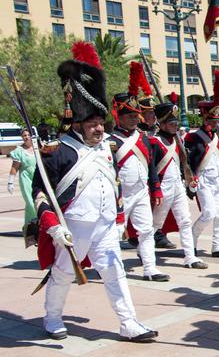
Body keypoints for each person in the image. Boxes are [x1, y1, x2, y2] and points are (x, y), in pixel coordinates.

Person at [32, 41, 156, 341]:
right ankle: (51, 318)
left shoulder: (106, 148)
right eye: (92, 124)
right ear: (78, 123)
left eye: (101, 123)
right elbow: (40, 192)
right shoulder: (58, 151)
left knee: (115, 273)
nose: (99, 129)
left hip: (105, 225)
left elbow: (112, 184)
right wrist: (52, 228)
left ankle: (129, 323)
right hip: (74, 225)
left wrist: (118, 219)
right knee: (62, 273)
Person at [109, 91, 169, 282]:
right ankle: (112, 269)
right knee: (115, 233)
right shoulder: (110, 141)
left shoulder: (142, 138)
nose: (135, 119)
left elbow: (150, 165)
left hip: (141, 192)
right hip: (120, 195)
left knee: (146, 230)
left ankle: (150, 268)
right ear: (119, 116)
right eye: (130, 115)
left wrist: (156, 188)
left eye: (136, 115)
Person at [149, 102, 207, 269]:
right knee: (156, 223)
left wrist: (189, 178)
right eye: (171, 123)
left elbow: (182, 165)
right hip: (163, 186)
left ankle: (190, 256)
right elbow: (152, 169)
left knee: (185, 220)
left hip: (177, 186)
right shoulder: (154, 141)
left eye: (176, 123)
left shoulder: (177, 141)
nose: (175, 126)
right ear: (162, 123)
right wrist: (156, 189)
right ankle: (142, 248)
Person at [126, 62, 176, 250]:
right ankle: (133, 236)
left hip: (155, 174)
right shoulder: (137, 132)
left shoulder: (156, 131)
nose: (152, 117)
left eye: (153, 114)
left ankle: (158, 233)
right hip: (138, 175)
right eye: (148, 113)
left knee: (159, 207)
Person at [185, 69, 219, 259]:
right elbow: (188, 162)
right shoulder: (193, 137)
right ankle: (192, 239)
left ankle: (217, 246)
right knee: (209, 213)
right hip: (203, 180)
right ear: (204, 118)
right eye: (211, 120)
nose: (214, 124)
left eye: (216, 121)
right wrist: (189, 181)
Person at [8, 128, 37, 229]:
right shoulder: (19, 151)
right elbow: (14, 168)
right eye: (24, 135)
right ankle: (31, 226)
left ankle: (36, 226)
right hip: (26, 180)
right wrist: (10, 182)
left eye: (28, 135)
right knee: (31, 203)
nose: (27, 137)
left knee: (40, 203)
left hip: (38, 179)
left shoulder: (38, 148)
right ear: (22, 137)